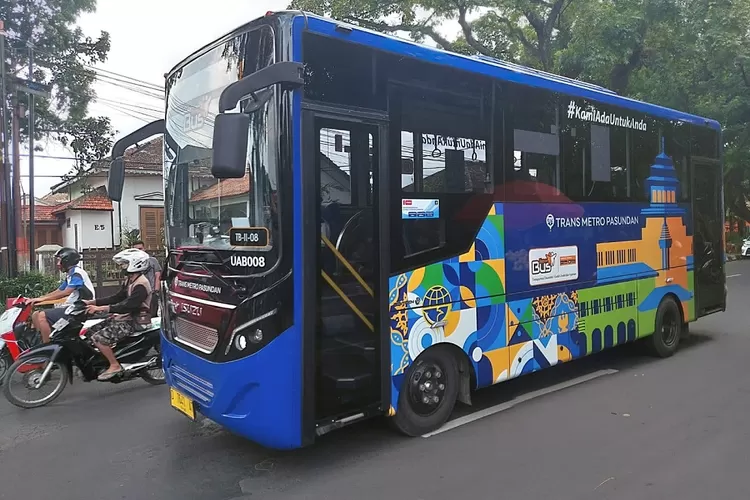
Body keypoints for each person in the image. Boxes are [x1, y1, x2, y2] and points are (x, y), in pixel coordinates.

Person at [83, 248, 153, 380]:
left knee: (99, 338)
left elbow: (127, 306)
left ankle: (114, 365)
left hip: (133, 322)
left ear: (135, 264)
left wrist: (101, 309)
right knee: (89, 332)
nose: (122, 266)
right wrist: (93, 302)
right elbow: (117, 297)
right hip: (123, 318)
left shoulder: (141, 284)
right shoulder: (130, 280)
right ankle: (104, 359)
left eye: (125, 263)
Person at [28, 247, 95, 343]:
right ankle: (40, 341)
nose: (57, 264)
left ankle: (47, 347)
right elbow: (59, 290)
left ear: (66, 261)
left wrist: (40, 299)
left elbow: (66, 292)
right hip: (72, 308)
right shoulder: (70, 274)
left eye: (59, 260)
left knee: (42, 316)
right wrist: (38, 299)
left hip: (80, 309)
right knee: (35, 315)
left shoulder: (77, 274)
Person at [131, 240, 161, 317]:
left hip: (152, 292)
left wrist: (156, 291)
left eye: (140, 248)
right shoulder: (132, 263)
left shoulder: (153, 260)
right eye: (136, 250)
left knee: (152, 315)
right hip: (138, 293)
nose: (139, 251)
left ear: (144, 248)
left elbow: (158, 275)